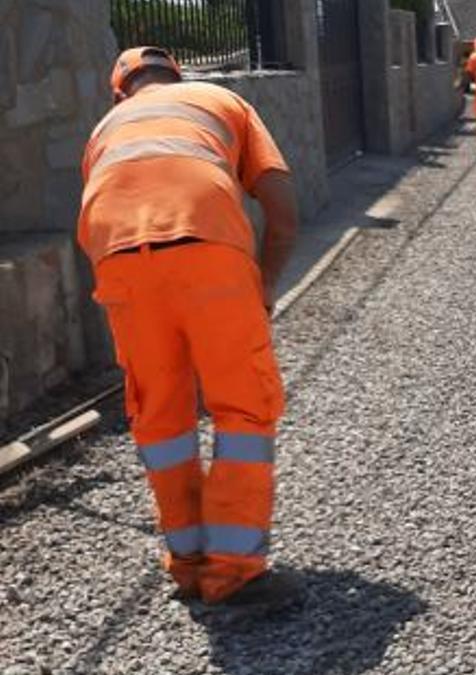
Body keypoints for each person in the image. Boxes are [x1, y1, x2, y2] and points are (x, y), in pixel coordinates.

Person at [78, 47, 302, 609]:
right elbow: (282, 207)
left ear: (120, 92)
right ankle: (234, 573)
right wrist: (266, 285)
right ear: (177, 76)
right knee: (244, 408)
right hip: (208, 248)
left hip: (119, 260)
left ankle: (187, 564)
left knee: (160, 415)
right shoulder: (221, 100)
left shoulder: (106, 128)